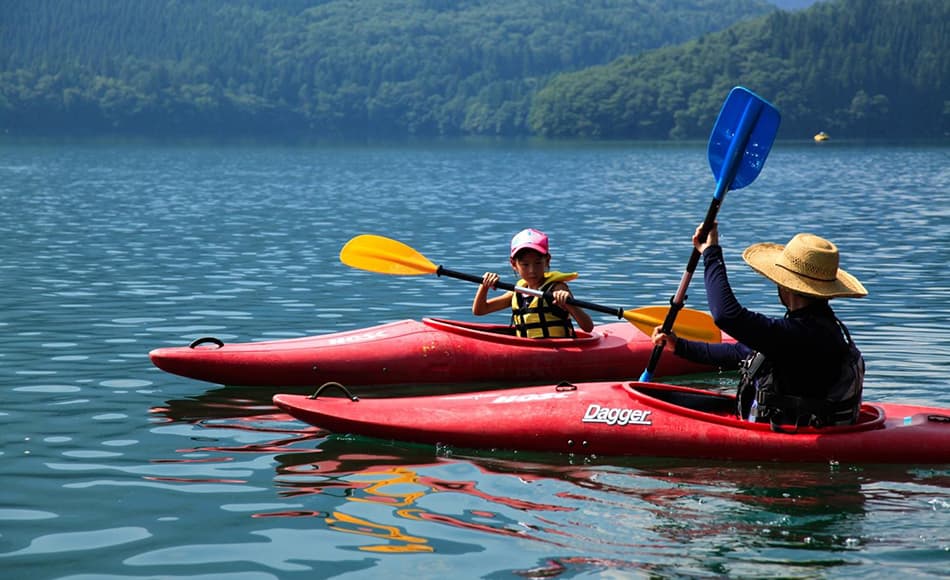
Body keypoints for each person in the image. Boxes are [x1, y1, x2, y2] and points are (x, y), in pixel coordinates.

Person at [651, 222, 867, 428]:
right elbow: (739, 352)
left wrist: (711, 252)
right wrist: (678, 346)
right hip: (791, 419)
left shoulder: (802, 334)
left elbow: (726, 316)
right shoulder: (815, 326)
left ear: (785, 285)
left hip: (792, 429)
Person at [473, 228, 594, 338]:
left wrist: (569, 304)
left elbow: (588, 327)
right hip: (527, 349)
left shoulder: (557, 288)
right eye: (525, 264)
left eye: (537, 263)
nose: (532, 271)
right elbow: (480, 310)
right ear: (514, 264)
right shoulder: (518, 291)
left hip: (558, 351)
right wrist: (484, 286)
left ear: (547, 261)